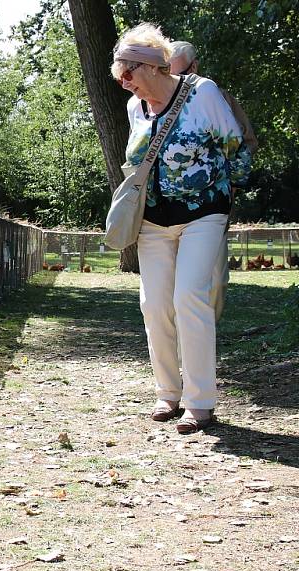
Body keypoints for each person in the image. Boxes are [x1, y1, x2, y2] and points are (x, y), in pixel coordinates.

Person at [110, 23, 252, 434]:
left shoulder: (201, 93)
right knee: (154, 305)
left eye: (128, 75)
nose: (124, 84)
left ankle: (200, 401)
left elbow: (235, 150)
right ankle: (168, 392)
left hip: (204, 214)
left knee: (190, 296)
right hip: (153, 222)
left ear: (152, 66)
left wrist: (224, 198)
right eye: (119, 78)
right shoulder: (135, 107)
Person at [170, 41, 258, 321]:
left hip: (212, 206)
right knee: (175, 287)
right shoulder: (151, 102)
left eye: (177, 73)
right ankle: (184, 347)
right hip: (166, 213)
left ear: (193, 67)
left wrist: (230, 182)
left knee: (216, 280)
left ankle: (204, 335)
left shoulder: (218, 98)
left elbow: (247, 143)